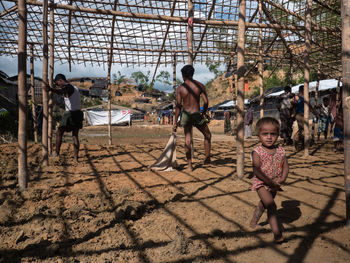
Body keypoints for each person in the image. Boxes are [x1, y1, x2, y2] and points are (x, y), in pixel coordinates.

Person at [249, 117, 289, 244]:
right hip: (261, 183)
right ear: (258, 135)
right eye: (265, 134)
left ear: (277, 135)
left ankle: (254, 220)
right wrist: (269, 182)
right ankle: (277, 233)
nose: (269, 137)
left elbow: (286, 165)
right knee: (271, 205)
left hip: (275, 183)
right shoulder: (257, 152)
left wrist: (282, 178)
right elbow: (256, 170)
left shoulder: (281, 151)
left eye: (273, 134)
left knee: (264, 203)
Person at [173, 65, 211, 171]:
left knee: (188, 139)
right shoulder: (200, 86)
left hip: (185, 114)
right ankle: (207, 158)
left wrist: (175, 122)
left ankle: (189, 165)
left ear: (184, 75)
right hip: (196, 114)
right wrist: (203, 113)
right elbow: (206, 101)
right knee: (207, 135)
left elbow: (178, 106)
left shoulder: (180, 88)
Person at [47, 74, 83, 162]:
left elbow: (61, 91)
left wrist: (51, 89)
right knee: (74, 135)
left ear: (60, 80)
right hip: (78, 113)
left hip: (70, 113)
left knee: (59, 132)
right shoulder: (75, 88)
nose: (58, 85)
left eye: (57, 83)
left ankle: (56, 153)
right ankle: (75, 158)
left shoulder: (68, 87)